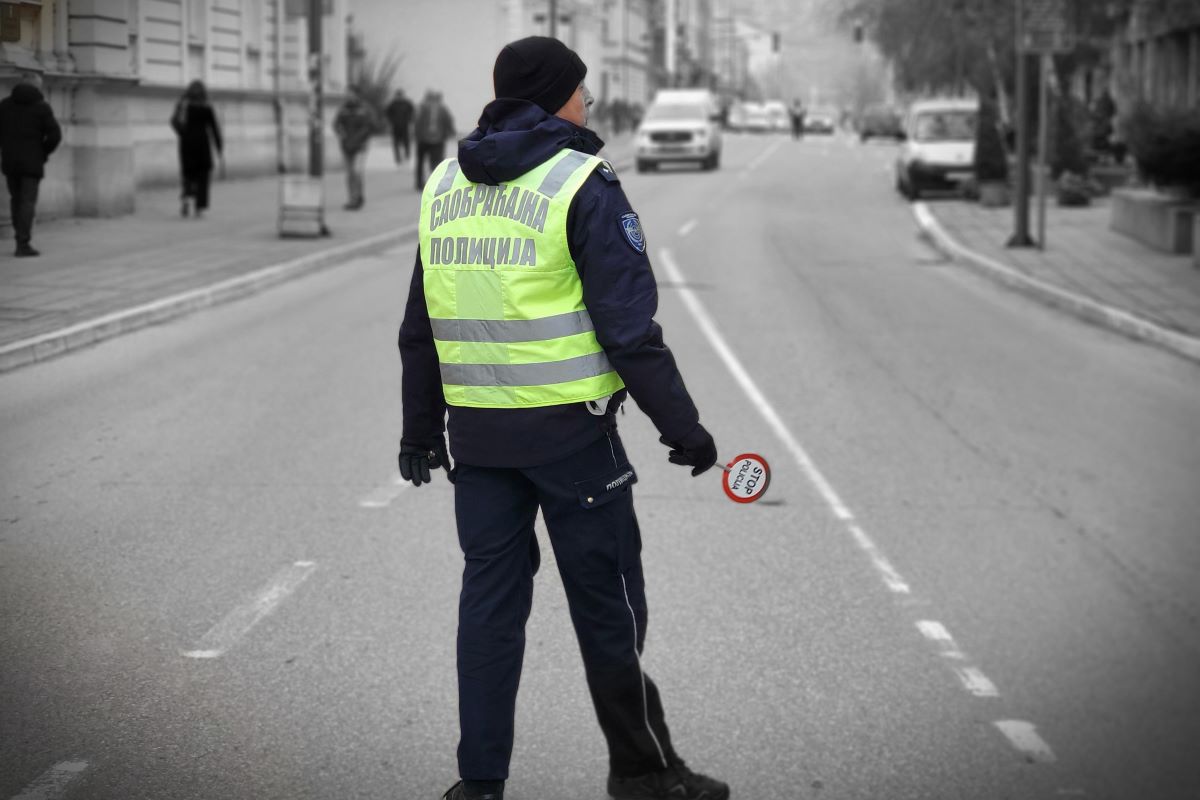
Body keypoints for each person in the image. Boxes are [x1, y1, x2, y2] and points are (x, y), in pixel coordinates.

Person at [397, 36, 729, 800]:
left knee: (488, 612)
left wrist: (421, 429)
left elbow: (420, 326)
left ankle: (478, 786)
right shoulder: (582, 181)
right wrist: (684, 428)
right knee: (609, 610)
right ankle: (643, 773)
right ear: (556, 97)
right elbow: (628, 330)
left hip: (477, 443)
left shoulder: (444, 183)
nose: (590, 102)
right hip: (573, 444)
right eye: (581, 89)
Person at [0, 72, 62, 256]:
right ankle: (23, 243)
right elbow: (55, 136)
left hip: (10, 161)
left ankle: (19, 238)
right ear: (36, 87)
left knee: (16, 199)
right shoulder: (41, 107)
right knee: (27, 202)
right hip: (32, 162)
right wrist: (43, 152)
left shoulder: (4, 106)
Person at [170, 80, 223, 219]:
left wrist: (182, 133)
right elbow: (214, 128)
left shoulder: (183, 104)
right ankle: (199, 208)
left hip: (186, 144)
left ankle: (186, 198)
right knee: (203, 176)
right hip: (202, 145)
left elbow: (173, 121)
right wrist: (219, 146)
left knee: (188, 174)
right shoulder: (207, 106)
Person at [333, 92, 378, 210]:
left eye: (351, 94)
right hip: (347, 146)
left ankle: (358, 196)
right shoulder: (343, 110)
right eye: (347, 94)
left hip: (360, 146)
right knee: (349, 174)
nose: (349, 97)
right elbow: (336, 125)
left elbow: (372, 125)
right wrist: (342, 134)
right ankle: (352, 198)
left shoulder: (365, 109)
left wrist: (362, 138)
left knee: (356, 171)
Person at [413, 89, 456, 190]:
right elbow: (448, 121)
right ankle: (431, 183)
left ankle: (424, 183)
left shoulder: (423, 108)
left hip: (428, 139)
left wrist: (416, 134)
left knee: (426, 161)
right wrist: (451, 133)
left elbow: (416, 122)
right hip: (433, 139)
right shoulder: (440, 109)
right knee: (434, 162)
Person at [385, 87, 415, 165]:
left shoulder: (407, 104)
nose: (399, 97)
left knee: (406, 142)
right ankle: (398, 158)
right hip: (395, 126)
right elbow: (387, 113)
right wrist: (390, 122)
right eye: (398, 95)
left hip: (405, 126)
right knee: (396, 143)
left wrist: (410, 121)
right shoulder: (393, 104)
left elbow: (412, 112)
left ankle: (407, 155)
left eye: (400, 95)